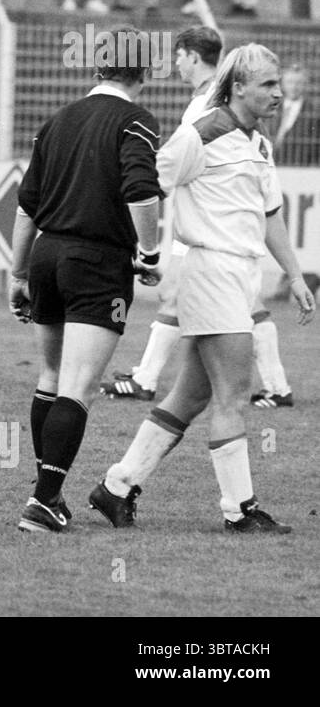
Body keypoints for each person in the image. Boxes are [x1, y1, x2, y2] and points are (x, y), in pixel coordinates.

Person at [88, 44, 314, 534]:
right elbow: (146, 183)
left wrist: (294, 276)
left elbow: (270, 215)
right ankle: (240, 510)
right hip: (210, 272)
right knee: (231, 396)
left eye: (279, 83)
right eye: (267, 84)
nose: (277, 92)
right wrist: (130, 247)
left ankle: (117, 485)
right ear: (237, 88)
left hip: (237, 273)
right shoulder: (202, 133)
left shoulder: (259, 144)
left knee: (189, 397)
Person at [6, 27, 163, 533]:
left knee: (50, 379)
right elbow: (141, 190)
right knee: (79, 385)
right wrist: (151, 251)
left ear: (97, 67)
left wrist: (17, 272)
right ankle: (43, 501)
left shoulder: (58, 121)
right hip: (96, 262)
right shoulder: (136, 121)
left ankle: (46, 494)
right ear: (144, 72)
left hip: (47, 255)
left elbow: (27, 207)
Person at [104, 28, 296, 410]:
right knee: (232, 308)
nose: (175, 63)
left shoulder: (208, 108)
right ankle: (275, 385)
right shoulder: (213, 102)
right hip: (215, 232)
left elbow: (170, 170)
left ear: (193, 56)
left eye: (178, 56)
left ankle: (146, 379)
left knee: (184, 302)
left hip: (209, 229)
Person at [272, 64, 319, 168]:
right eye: (290, 82)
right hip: (272, 165)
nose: (294, 87)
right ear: (282, 84)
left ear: (305, 85)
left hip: (299, 166)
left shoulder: (313, 112)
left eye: (299, 83)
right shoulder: (272, 107)